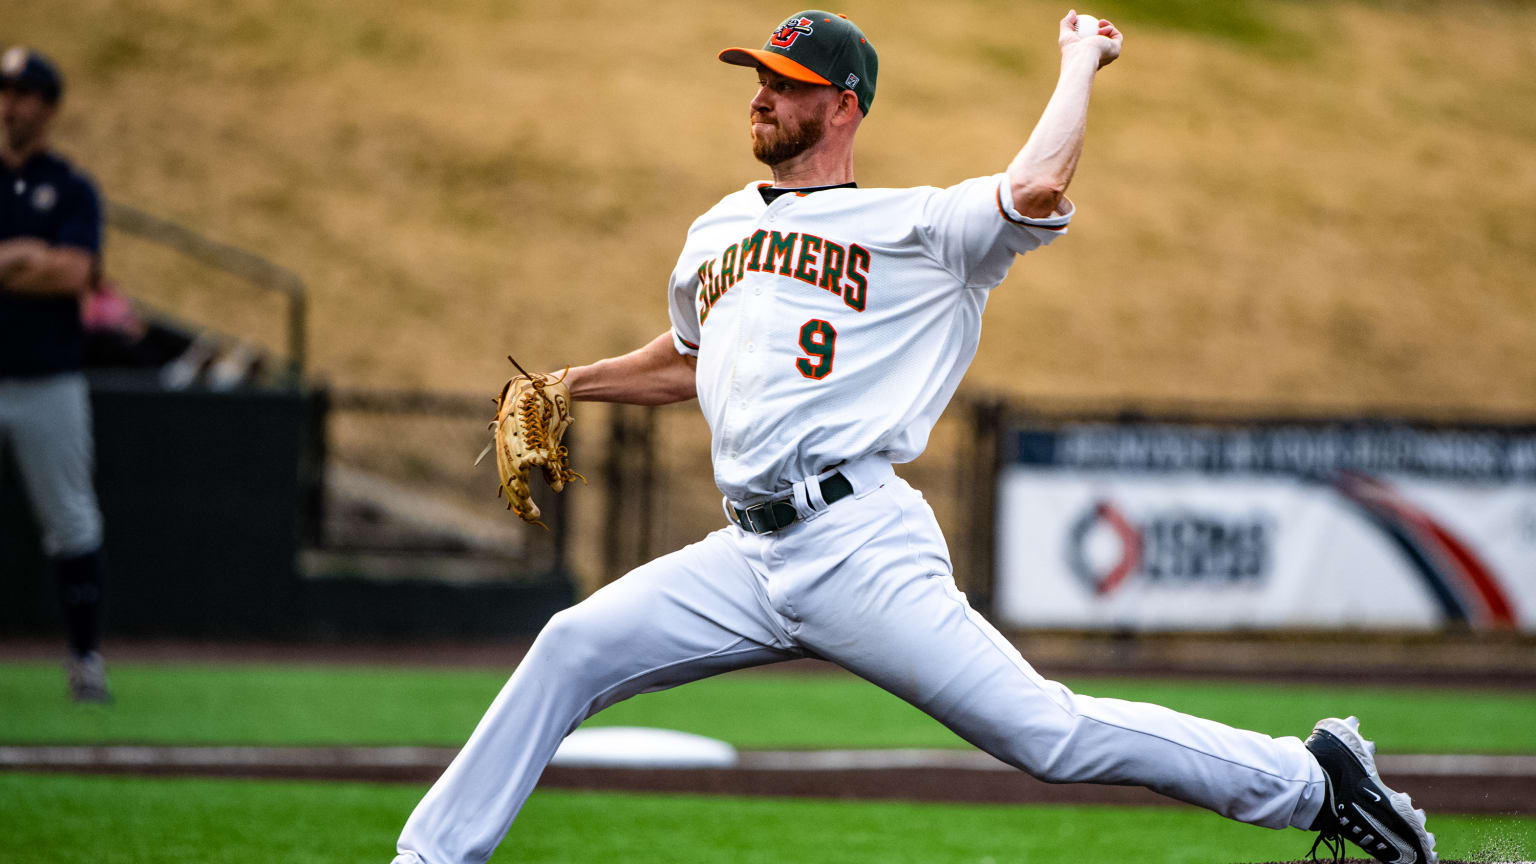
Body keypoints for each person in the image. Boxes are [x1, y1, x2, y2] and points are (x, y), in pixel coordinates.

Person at [394, 11, 1436, 864]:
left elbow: (1037, 189)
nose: (760, 95)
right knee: (571, 646)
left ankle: (1313, 781)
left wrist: (1081, 58)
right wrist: (574, 385)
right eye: (757, 77)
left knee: (1046, 735)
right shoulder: (716, 231)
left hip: (857, 545)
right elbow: (688, 358)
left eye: (787, 82)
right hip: (746, 555)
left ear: (842, 106)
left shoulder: (919, 228)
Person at [0, 46, 112, 703]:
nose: (12, 104)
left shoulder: (69, 186)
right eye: (7, 91)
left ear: (48, 106)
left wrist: (26, 264)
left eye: (26, 93)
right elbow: (50, 266)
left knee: (71, 521)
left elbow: (75, 272)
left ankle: (85, 660)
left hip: (50, 378)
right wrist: (20, 257)